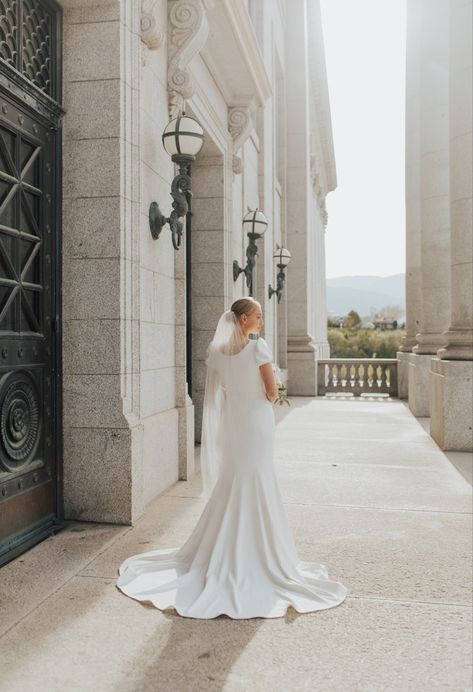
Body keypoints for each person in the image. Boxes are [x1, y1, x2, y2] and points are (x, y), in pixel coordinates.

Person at [116, 297, 348, 618]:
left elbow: (220, 392)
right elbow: (270, 392)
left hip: (235, 422)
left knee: (236, 478)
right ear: (243, 320)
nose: (261, 322)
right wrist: (274, 386)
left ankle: (222, 549)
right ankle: (258, 554)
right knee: (258, 478)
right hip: (256, 422)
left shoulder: (218, 353)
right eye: (257, 316)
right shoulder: (258, 349)